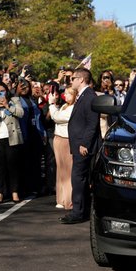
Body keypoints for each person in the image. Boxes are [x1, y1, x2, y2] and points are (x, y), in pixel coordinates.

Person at [60, 68, 100, 224]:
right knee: (80, 179)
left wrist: (85, 144)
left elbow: (92, 123)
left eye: (73, 78)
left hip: (83, 146)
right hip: (79, 144)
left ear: (81, 79)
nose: (71, 81)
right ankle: (80, 211)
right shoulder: (83, 96)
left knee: (78, 178)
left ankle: (77, 212)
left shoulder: (89, 96)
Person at [0, 81, 23, 204]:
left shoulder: (13, 100)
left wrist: (8, 106)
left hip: (12, 137)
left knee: (13, 166)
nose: (0, 94)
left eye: (2, 91)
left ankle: (14, 191)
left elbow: (21, 113)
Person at [49, 86, 75, 210]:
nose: (65, 96)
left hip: (67, 139)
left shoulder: (73, 108)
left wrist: (51, 104)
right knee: (60, 169)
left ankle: (69, 200)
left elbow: (57, 117)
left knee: (68, 170)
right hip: (58, 138)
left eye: (68, 94)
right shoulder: (65, 106)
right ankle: (61, 199)